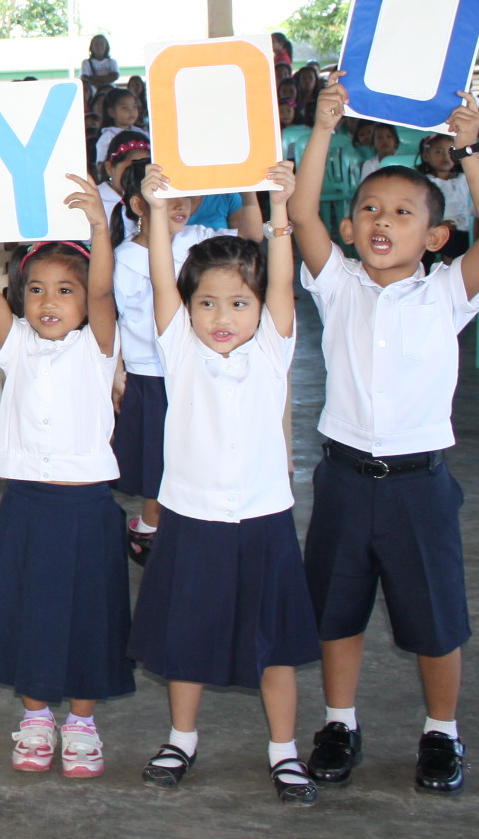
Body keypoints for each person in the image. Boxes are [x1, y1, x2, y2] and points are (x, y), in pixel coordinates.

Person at [288, 72, 479, 796]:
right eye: (370, 210)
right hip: (345, 480)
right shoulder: (339, 282)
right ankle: (340, 722)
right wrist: (322, 126)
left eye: (404, 213)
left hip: (420, 485)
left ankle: (440, 733)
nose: (383, 221)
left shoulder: (448, 290)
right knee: (337, 612)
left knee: (434, 618)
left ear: (436, 235)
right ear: (350, 228)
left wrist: (468, 153)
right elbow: (300, 214)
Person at [129, 162, 321, 805]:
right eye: (206, 302)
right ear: (188, 308)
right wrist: (157, 210)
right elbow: (162, 277)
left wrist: (280, 214)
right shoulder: (178, 347)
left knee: (275, 647)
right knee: (186, 639)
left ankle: (284, 751)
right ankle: (182, 737)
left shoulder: (273, 348)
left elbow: (285, 277)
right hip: (192, 518)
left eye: (239, 303)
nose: (222, 316)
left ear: (261, 308)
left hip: (264, 519)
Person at [0, 179, 126, 778]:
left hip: (87, 511)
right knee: (27, 610)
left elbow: (105, 289)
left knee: (89, 614)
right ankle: (35, 717)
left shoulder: (98, 347)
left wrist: (100, 227)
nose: (48, 301)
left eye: (64, 290)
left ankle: (81, 721)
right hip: (26, 506)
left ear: (85, 302)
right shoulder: (17, 345)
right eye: (35, 290)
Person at [108, 160, 221, 563]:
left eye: (185, 195)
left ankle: (165, 525)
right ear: (140, 205)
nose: (180, 204)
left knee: (192, 452)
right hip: (149, 374)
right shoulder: (122, 257)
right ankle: (152, 526)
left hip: (194, 370)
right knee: (160, 459)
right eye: (165, 196)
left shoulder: (200, 240)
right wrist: (116, 372)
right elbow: (114, 319)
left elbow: (251, 239)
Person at [417, 133, 475, 259]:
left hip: (463, 229)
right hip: (435, 227)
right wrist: (439, 224)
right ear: (426, 156)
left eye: (451, 151)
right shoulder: (423, 183)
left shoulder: (464, 180)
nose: (446, 156)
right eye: (439, 151)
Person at [93, 88, 142, 171]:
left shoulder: (141, 133)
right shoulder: (108, 137)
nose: (131, 111)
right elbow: (101, 165)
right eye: (125, 108)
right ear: (111, 112)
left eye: (134, 107)